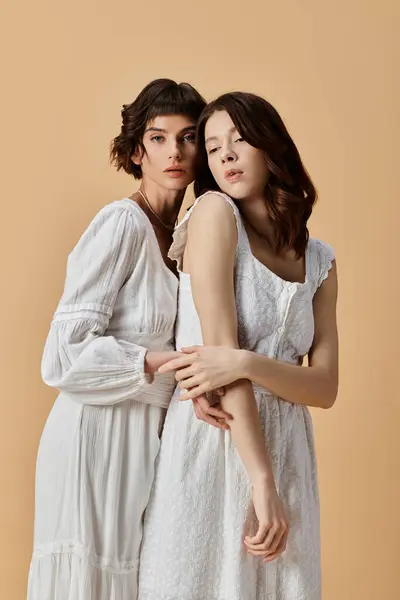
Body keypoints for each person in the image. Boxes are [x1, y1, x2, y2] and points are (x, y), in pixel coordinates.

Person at [138, 92, 338, 600]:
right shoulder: (213, 214)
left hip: (290, 451)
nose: (225, 154)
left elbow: (326, 387)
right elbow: (218, 364)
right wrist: (261, 481)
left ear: (271, 149)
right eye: (212, 146)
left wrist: (245, 361)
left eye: (240, 140)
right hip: (218, 441)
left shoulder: (320, 260)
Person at [27, 78, 218, 600]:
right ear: (137, 151)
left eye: (188, 138)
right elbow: (61, 354)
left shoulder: (182, 241)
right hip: (95, 432)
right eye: (158, 138)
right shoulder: (121, 224)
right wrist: (165, 363)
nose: (175, 152)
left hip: (142, 438)